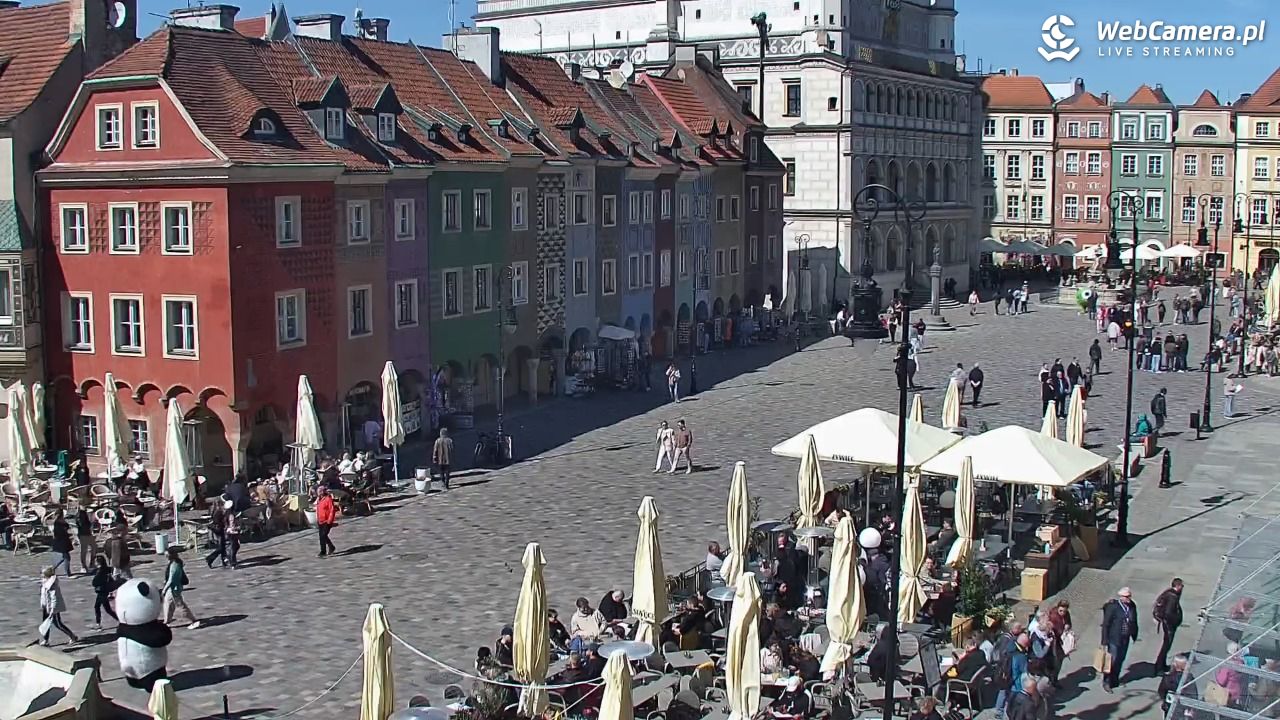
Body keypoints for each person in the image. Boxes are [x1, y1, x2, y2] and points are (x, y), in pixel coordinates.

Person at [1101, 587, 1140, 692]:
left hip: (1125, 637)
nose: (1128, 599)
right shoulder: (1114, 607)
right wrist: (1104, 640)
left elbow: (1134, 620)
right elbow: (1106, 624)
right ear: (1121, 597)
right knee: (1112, 660)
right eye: (1126, 597)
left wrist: (1134, 634)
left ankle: (1115, 680)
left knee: (1120, 659)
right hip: (1114, 638)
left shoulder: (1132, 606)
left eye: (1129, 596)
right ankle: (1106, 681)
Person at [37, 566, 78, 646]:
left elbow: (54, 598)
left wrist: (53, 610)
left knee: (58, 624)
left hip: (52, 608)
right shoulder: (45, 582)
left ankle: (72, 636)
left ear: (46, 575)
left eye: (42, 573)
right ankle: (46, 640)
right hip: (46, 607)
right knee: (46, 624)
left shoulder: (51, 584)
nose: (41, 575)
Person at [162, 547, 200, 629]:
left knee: (180, 606)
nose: (165, 556)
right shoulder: (173, 562)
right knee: (168, 604)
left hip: (174, 589)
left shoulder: (174, 565)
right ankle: (166, 621)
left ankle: (193, 620)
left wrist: (164, 589)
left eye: (167, 554)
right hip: (172, 589)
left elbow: (171, 579)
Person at [1153, 578, 1185, 674]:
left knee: (1166, 645)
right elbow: (1169, 612)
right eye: (1182, 586)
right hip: (1169, 625)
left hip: (1168, 624)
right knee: (1166, 646)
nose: (1183, 588)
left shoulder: (1169, 593)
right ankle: (1159, 667)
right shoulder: (1172, 597)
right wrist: (1174, 622)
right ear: (1177, 586)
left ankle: (1162, 665)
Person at [89, 555, 118, 629]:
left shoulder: (100, 571)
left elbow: (94, 583)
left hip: (102, 591)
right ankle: (98, 623)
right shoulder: (108, 569)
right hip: (106, 590)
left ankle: (98, 624)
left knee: (106, 609)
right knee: (101, 607)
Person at [49, 509, 74, 577]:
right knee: (66, 557)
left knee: (65, 557)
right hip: (61, 541)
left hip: (63, 540)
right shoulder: (58, 522)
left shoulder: (59, 521)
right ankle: (67, 572)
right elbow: (60, 532)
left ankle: (53, 569)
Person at [315, 484, 338, 557]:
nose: (318, 493)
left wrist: (329, 521)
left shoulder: (328, 499)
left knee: (324, 535)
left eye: (319, 491)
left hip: (327, 521)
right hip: (320, 520)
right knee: (322, 537)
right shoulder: (319, 499)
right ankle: (327, 549)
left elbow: (332, 510)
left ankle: (324, 551)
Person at [205, 502, 228, 569]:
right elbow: (218, 522)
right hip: (219, 530)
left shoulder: (217, 511)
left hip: (219, 530)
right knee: (221, 547)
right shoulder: (218, 513)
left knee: (223, 547)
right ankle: (210, 558)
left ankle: (224, 561)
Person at [75, 506, 97, 574]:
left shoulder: (83, 513)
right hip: (84, 534)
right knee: (84, 550)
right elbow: (82, 524)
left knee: (93, 547)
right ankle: (84, 566)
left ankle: (91, 563)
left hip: (87, 533)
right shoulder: (80, 515)